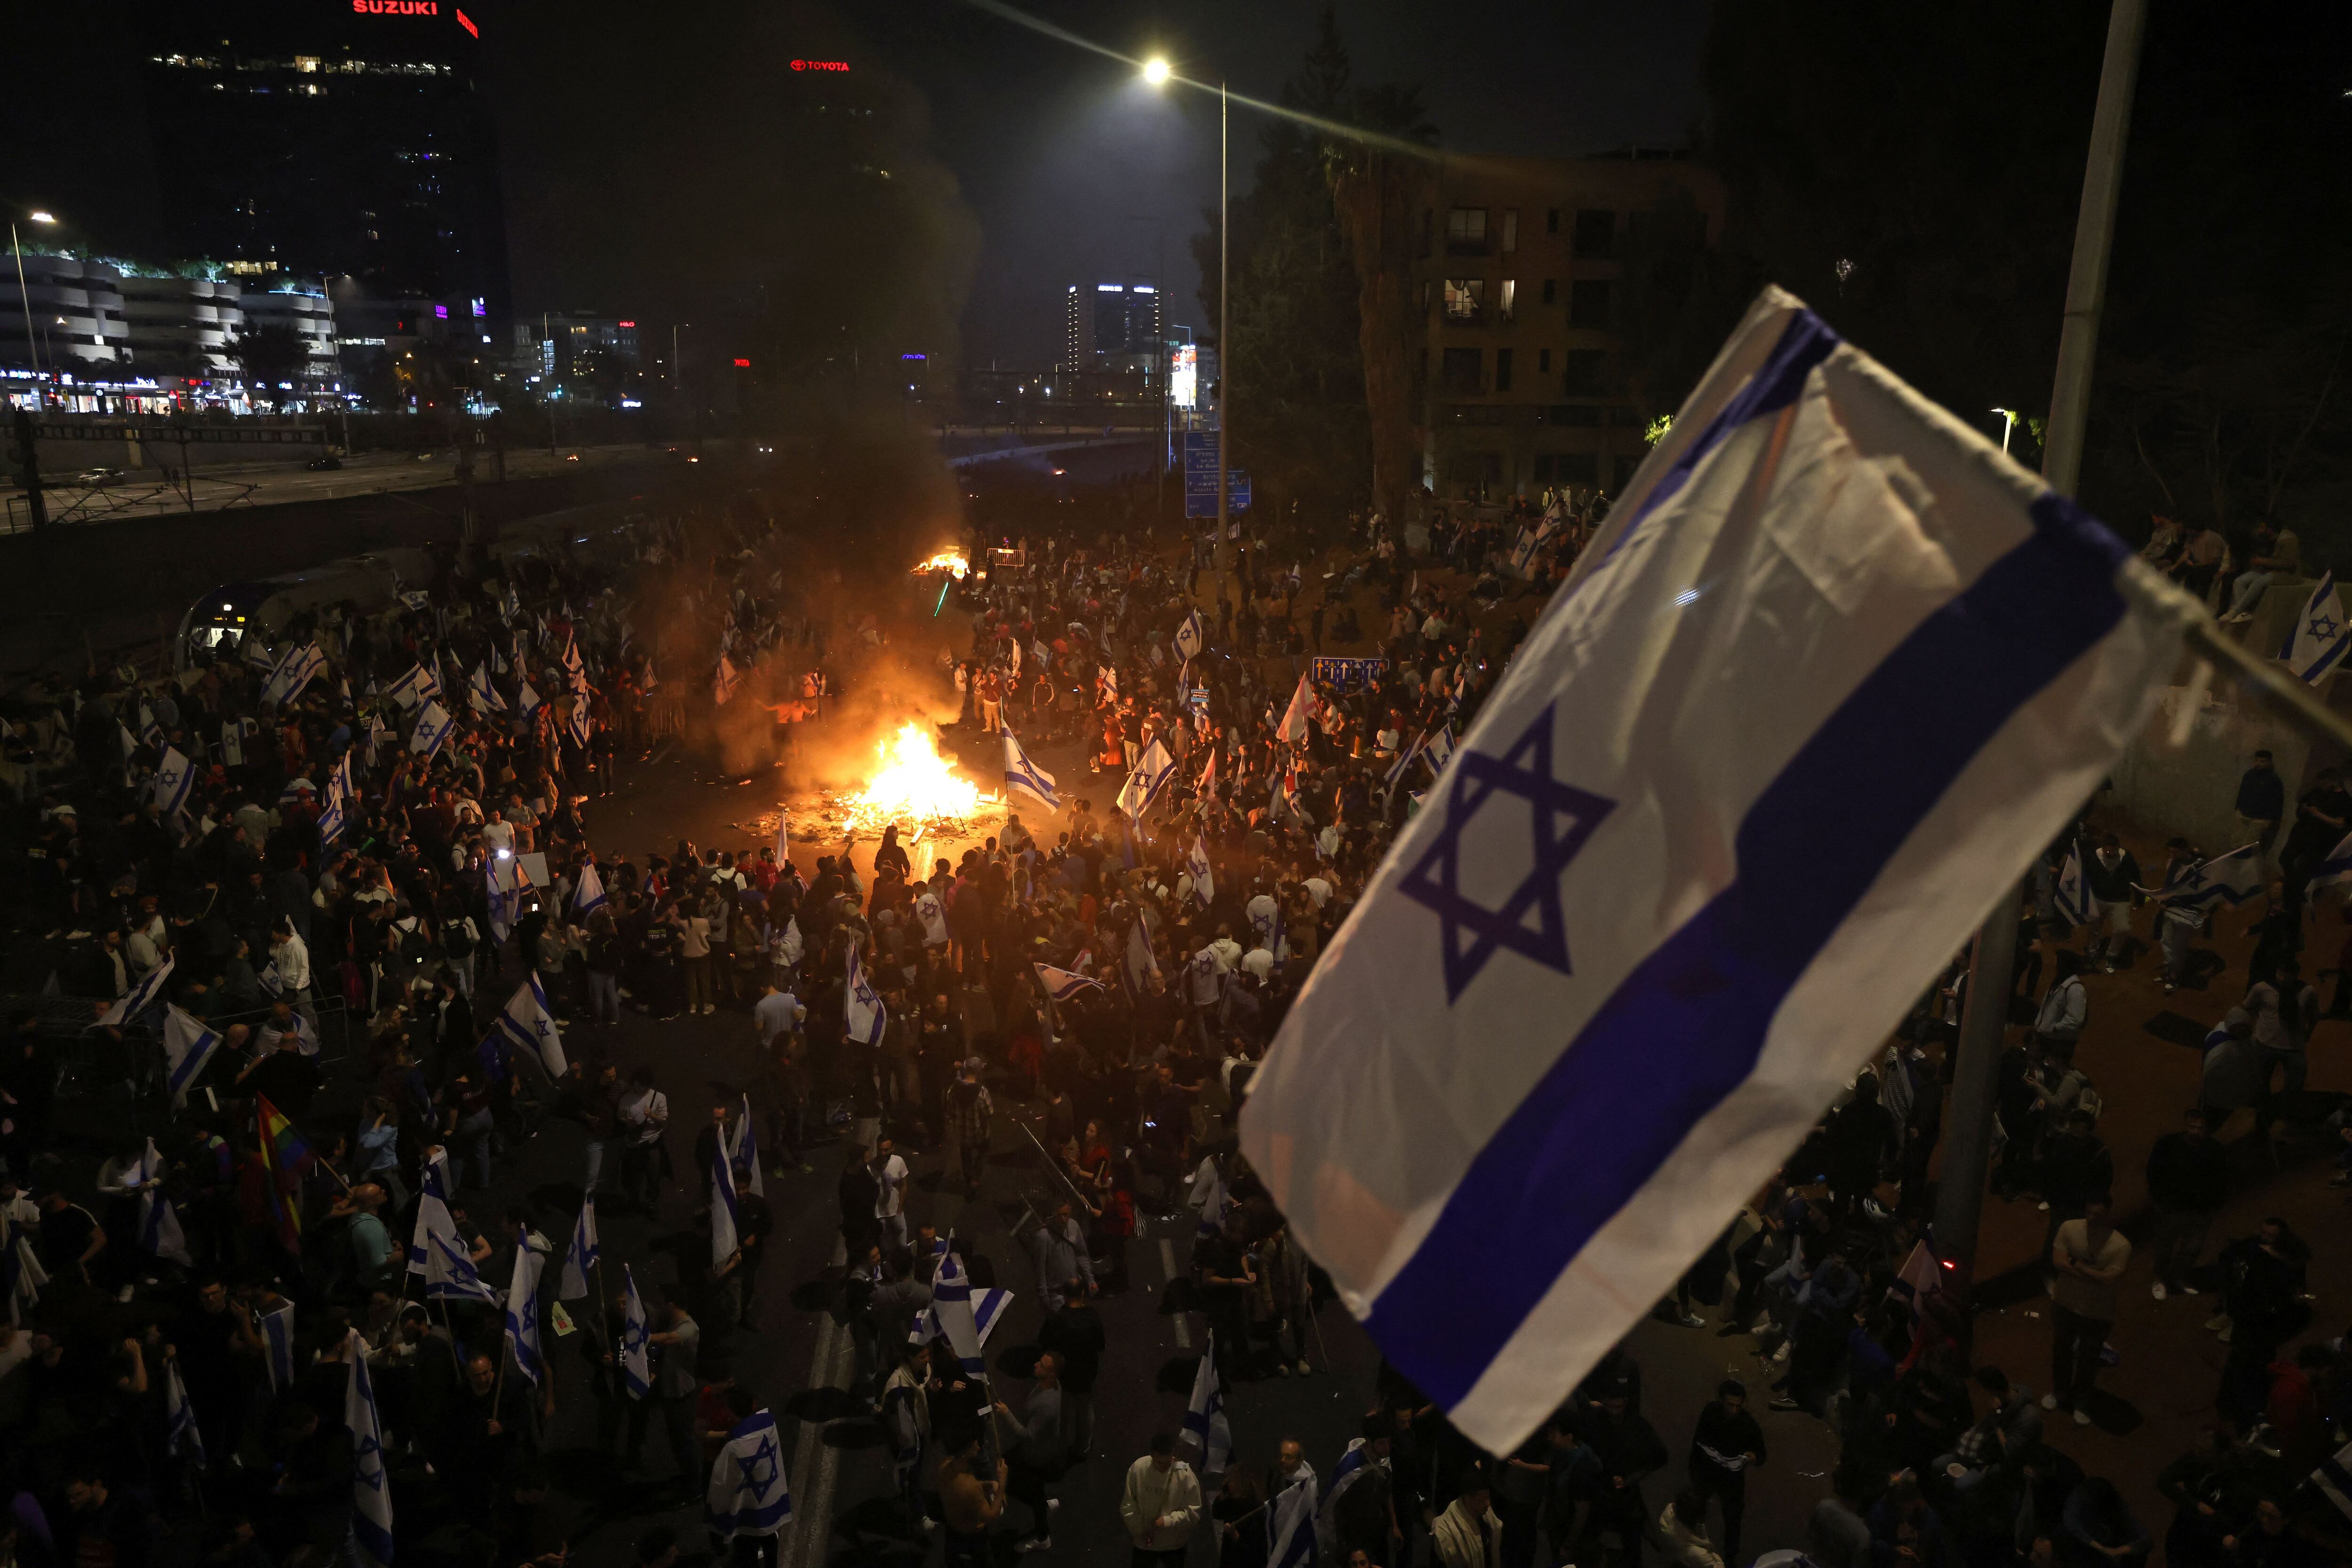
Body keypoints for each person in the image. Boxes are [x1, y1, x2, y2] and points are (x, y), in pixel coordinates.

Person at [2045, 1194, 2129, 1426]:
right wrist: (2094, 1274)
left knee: (2089, 1359)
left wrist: (2076, 1264)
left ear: (2107, 1214)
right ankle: (2060, 1391)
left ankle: (2081, 1399)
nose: (2092, 1218)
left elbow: (2109, 1279)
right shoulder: (2070, 1228)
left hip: (2097, 1312)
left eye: (2098, 1214)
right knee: (2061, 1351)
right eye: (2089, 1212)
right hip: (2065, 1304)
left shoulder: (2120, 1245)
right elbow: (2057, 1261)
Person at [2146, 1107, 2228, 1300]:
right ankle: (2162, 1279)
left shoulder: (2214, 1149)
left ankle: (2177, 1277)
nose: (2196, 1132)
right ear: (2185, 1125)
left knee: (2192, 1248)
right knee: (2165, 1247)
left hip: (2200, 1211)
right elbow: (2154, 1173)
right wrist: (2160, 1200)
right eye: (2192, 1127)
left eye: (2200, 1128)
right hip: (2171, 1209)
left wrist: (2213, 1204)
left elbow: (2221, 1179)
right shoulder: (2167, 1145)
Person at [1686, 1379, 1765, 1565]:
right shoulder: (1711, 1412)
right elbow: (1698, 1441)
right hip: (1707, 1472)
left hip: (1732, 1479)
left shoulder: (1748, 1425)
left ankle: (1731, 1557)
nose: (1734, 1410)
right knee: (1696, 1509)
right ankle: (1693, 1547)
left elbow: (1762, 1454)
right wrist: (1694, 1470)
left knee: (1733, 1518)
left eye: (1738, 1406)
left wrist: (1753, 1458)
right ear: (1721, 1400)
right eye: (1730, 1405)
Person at [1120, 1431, 1201, 1568]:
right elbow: (1128, 1505)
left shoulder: (1185, 1473)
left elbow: (1194, 1512)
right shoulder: (1138, 1468)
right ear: (1152, 1455)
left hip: (1174, 1545)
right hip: (1144, 1543)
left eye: (1167, 1463)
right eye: (1159, 1463)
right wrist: (1140, 1530)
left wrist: (1166, 1522)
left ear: (1172, 1455)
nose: (1163, 1468)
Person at [1430, 1472, 1503, 1568]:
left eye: (1488, 1497)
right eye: (1482, 1499)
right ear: (1468, 1497)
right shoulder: (1446, 1529)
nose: (1488, 1504)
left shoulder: (1486, 1515)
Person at [2237, 750, 2286, 869]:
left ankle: (2243, 872)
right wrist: (2238, 808)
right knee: (2236, 844)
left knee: (2247, 847)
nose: (2259, 764)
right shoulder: (2249, 774)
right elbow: (2242, 791)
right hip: (2244, 814)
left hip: (2260, 818)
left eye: (2263, 761)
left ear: (2270, 763)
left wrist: (2271, 819)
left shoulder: (2274, 780)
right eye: (2257, 760)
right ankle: (2234, 869)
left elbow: (2277, 801)